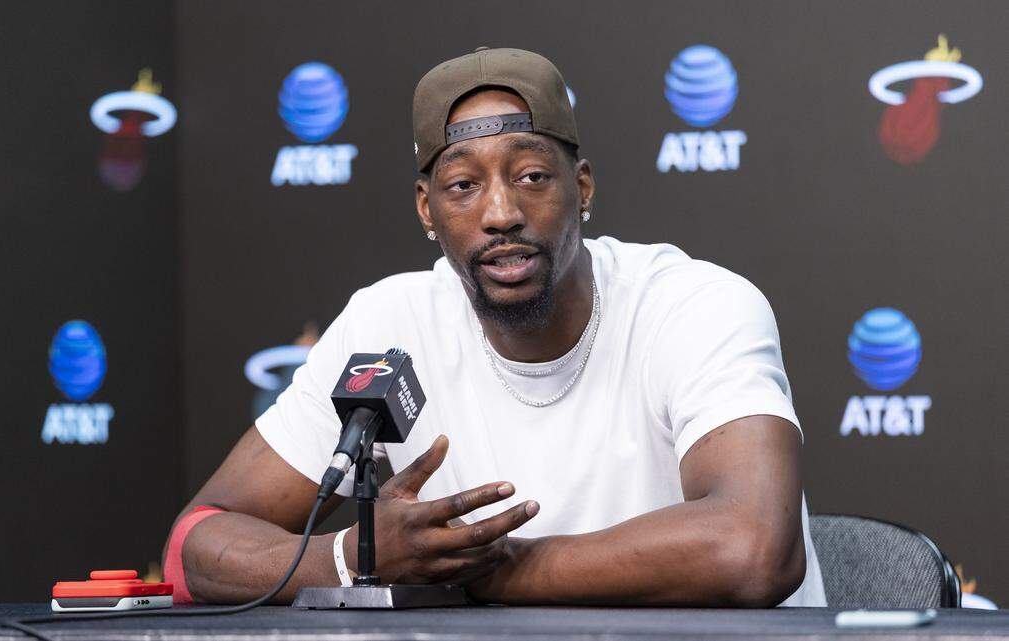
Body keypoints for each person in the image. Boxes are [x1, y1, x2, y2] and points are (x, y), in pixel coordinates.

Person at [163, 47, 826, 607]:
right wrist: (353, 555)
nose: (502, 211)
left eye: (532, 174)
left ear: (583, 187)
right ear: (427, 209)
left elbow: (753, 547)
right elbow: (193, 541)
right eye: (462, 186)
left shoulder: (692, 305)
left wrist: (488, 568)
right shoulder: (389, 323)